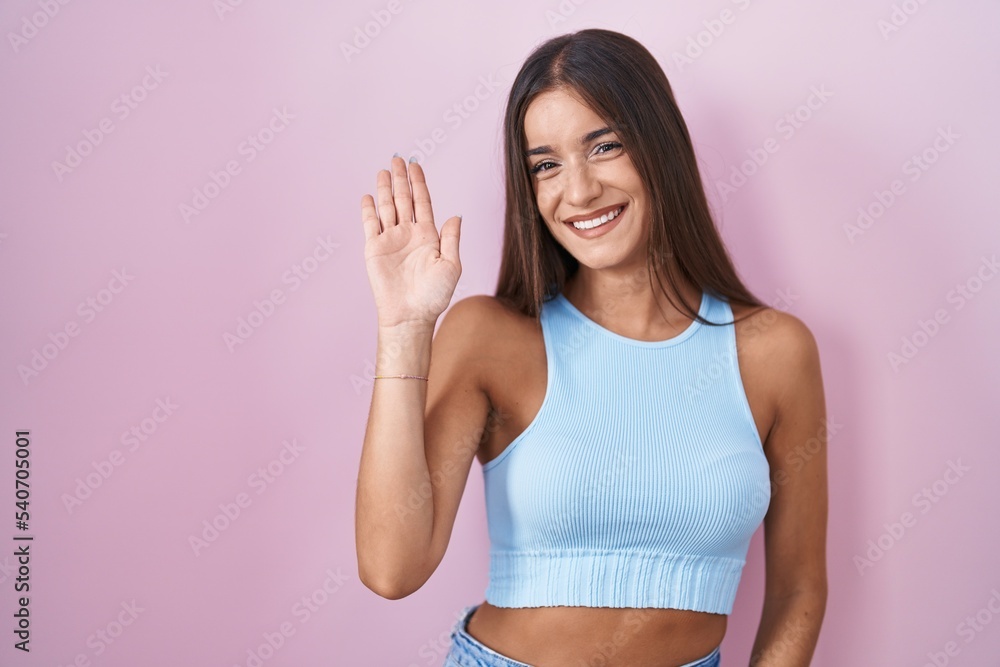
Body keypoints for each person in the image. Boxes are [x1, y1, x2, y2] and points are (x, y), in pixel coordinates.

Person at [356, 28, 827, 667]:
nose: (577, 192)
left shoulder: (775, 352)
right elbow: (392, 568)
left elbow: (799, 587)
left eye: (604, 146)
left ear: (660, 148)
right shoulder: (490, 337)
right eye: (545, 164)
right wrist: (404, 329)